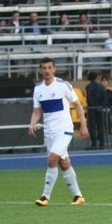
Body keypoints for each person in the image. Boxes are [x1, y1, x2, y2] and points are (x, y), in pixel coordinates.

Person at [28, 58, 89, 206]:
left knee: (52, 159)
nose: (47, 71)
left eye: (49, 68)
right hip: (49, 132)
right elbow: (37, 111)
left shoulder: (63, 85)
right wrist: (32, 124)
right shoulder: (38, 89)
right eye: (44, 68)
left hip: (64, 129)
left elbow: (78, 105)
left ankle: (45, 196)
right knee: (64, 162)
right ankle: (78, 196)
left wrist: (83, 125)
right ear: (40, 70)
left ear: (54, 69)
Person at [85, 71, 108, 149]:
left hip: (92, 108)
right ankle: (102, 143)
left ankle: (94, 143)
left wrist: (94, 106)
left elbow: (89, 98)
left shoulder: (88, 87)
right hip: (100, 108)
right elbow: (104, 98)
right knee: (100, 126)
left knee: (92, 126)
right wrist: (101, 106)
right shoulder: (101, 87)